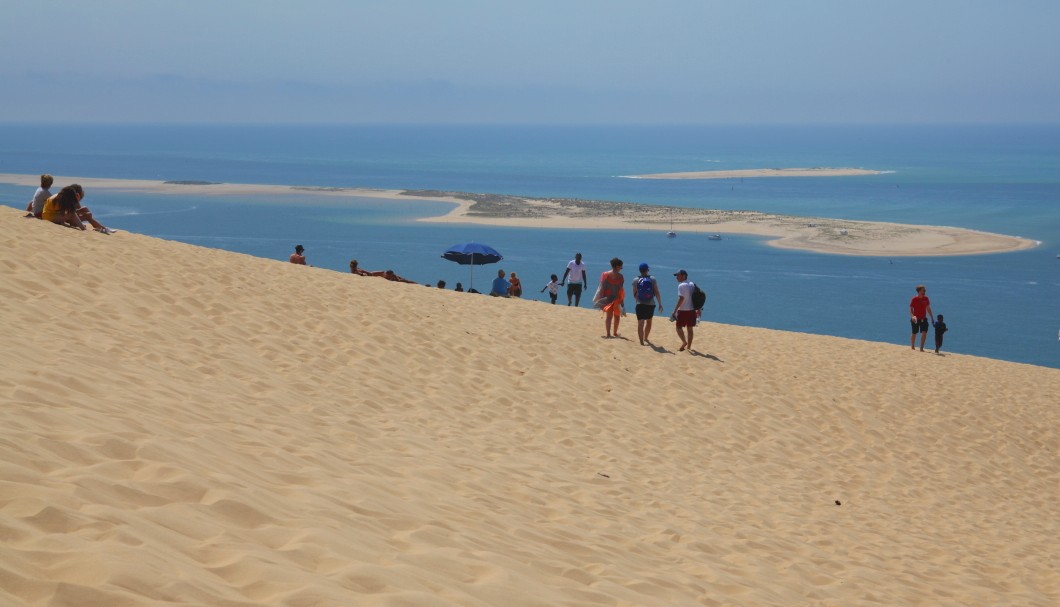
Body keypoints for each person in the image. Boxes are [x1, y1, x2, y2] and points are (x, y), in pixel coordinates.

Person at [42, 184, 113, 233]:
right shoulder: (58, 199)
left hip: (55, 215)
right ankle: (85, 229)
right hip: (48, 217)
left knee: (85, 211)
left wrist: (80, 210)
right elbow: (68, 213)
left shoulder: (62, 197)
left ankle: (101, 228)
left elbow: (68, 211)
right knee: (73, 214)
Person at [632, 263, 664, 345]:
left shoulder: (635, 280)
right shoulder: (652, 279)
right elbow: (656, 292)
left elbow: (634, 294)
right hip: (650, 304)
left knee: (640, 323)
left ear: (640, 270)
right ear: (647, 270)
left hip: (640, 304)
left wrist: (639, 300)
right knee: (649, 321)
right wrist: (660, 303)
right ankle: (646, 337)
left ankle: (641, 341)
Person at [593, 257, 625, 338]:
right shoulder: (620, 277)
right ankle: (614, 333)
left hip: (607, 298)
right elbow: (621, 289)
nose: (621, 268)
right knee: (617, 317)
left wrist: (600, 299)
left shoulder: (605, 274)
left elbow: (602, 288)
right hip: (616, 299)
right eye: (621, 267)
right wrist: (622, 301)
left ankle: (608, 334)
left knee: (609, 317)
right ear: (617, 266)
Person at [670, 269, 696, 352]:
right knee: (690, 329)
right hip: (692, 310)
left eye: (678, 275)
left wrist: (675, 310)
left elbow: (681, 298)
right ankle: (689, 347)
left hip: (683, 310)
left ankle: (684, 342)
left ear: (683, 276)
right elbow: (695, 298)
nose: (676, 277)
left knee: (678, 327)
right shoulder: (692, 284)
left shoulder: (681, 286)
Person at [909, 284, 935, 352]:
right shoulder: (914, 299)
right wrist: (912, 316)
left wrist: (932, 317)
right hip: (915, 319)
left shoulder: (926, 298)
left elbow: (928, 308)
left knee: (924, 332)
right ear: (919, 291)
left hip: (924, 319)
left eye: (925, 290)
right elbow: (911, 308)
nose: (925, 291)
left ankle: (921, 348)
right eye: (923, 290)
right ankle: (912, 346)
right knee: (914, 333)